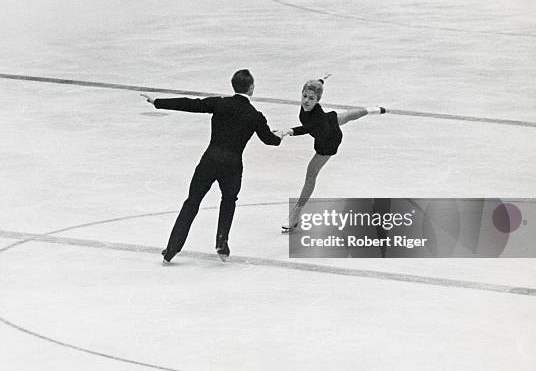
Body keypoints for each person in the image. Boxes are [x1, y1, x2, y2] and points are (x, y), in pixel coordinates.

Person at [140, 69, 281, 263]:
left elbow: (190, 104)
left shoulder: (220, 103)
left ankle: (172, 248)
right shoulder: (255, 115)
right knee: (229, 200)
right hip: (232, 165)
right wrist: (280, 136)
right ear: (251, 88)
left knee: (192, 202)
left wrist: (158, 102)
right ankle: (222, 243)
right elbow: (269, 140)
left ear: (234, 86)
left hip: (210, 160)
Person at [278, 74, 386, 232]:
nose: (306, 101)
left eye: (311, 98)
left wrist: (288, 131)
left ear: (318, 100)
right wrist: (321, 80)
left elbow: (307, 129)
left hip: (328, 140)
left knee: (310, 175)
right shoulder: (309, 106)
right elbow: (314, 89)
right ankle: (372, 110)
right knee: (348, 116)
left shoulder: (315, 119)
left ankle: (296, 212)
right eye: (304, 96)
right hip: (328, 121)